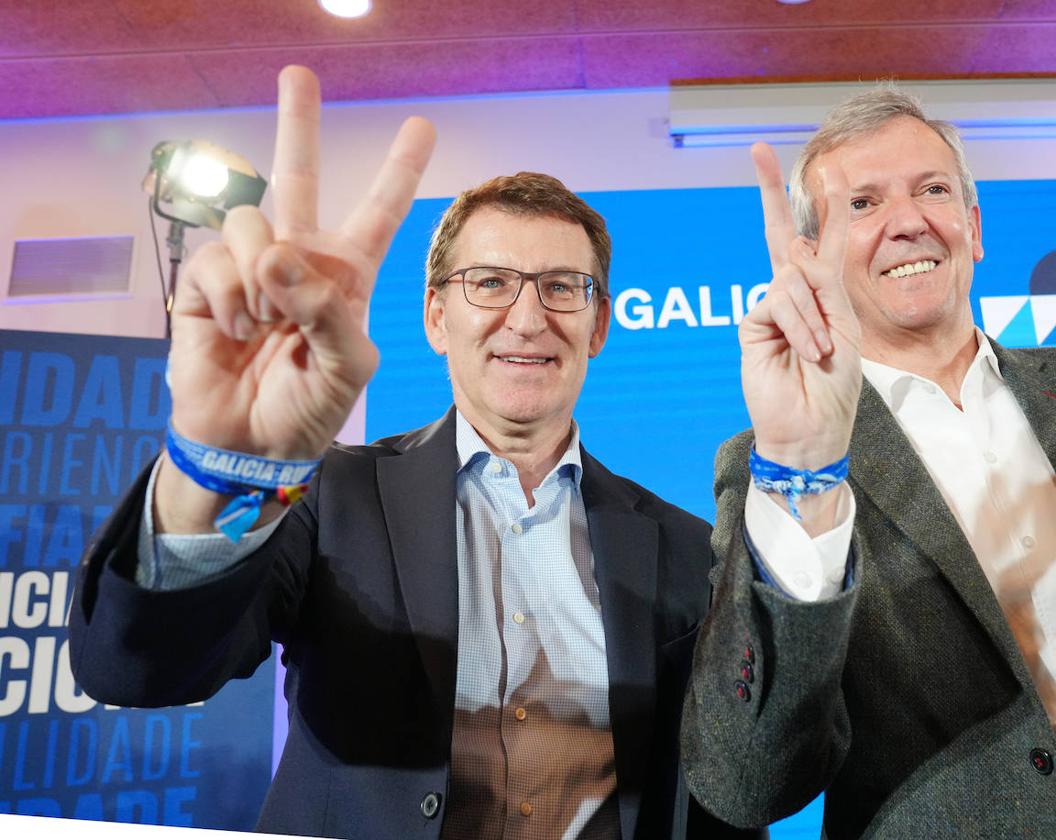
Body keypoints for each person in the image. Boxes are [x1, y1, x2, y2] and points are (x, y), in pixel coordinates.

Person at [69, 65, 751, 840]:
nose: (528, 319)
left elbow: (723, 793)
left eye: (563, 287)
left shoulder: (686, 544)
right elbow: (136, 668)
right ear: (435, 317)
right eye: (490, 282)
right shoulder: (328, 497)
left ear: (597, 327)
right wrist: (214, 466)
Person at [681, 84, 1056, 838]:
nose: (909, 222)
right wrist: (807, 468)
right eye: (862, 204)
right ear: (810, 257)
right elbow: (747, 781)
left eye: (933, 189)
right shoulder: (779, 463)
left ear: (974, 225)